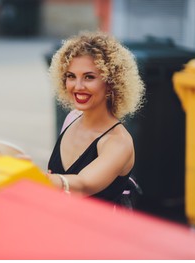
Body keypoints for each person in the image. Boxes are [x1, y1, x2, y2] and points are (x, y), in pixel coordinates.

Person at [47, 31, 145, 205]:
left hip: (99, 231)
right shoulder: (72, 118)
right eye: (71, 76)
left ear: (111, 82)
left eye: (89, 77)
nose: (77, 86)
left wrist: (31, 176)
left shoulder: (118, 142)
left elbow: (83, 185)